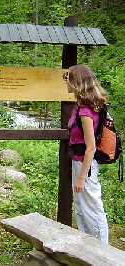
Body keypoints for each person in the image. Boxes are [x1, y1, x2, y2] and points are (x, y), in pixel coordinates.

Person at [63, 64, 109, 244]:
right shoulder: (84, 105)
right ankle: (88, 247)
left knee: (93, 207)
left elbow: (91, 147)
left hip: (85, 165)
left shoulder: (85, 111)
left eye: (68, 78)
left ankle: (102, 252)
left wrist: (82, 177)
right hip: (81, 163)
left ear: (77, 82)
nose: (65, 81)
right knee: (82, 206)